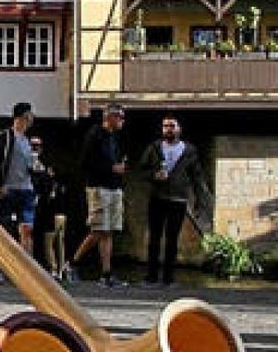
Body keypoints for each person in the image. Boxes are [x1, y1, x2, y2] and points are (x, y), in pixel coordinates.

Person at [136, 115, 210, 288]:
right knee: (154, 238)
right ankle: (151, 277)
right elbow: (142, 170)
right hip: (158, 197)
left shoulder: (189, 151)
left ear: (179, 129)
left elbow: (196, 177)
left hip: (178, 199)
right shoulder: (154, 148)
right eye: (165, 126)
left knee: (172, 239)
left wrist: (200, 200)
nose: (168, 129)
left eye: (171, 125)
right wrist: (154, 175)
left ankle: (169, 278)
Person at [69, 104, 128, 288]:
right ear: (109, 117)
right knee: (98, 229)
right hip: (99, 186)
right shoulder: (95, 135)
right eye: (119, 117)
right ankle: (72, 263)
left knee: (108, 230)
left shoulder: (115, 138)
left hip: (114, 186)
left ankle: (106, 273)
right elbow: (85, 162)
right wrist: (110, 168)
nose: (122, 121)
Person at [0, 103, 37, 261]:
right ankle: (2, 263)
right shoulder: (6, 137)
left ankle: (27, 265)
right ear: (20, 118)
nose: (30, 120)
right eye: (28, 116)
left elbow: (31, 164)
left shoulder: (27, 141)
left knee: (27, 228)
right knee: (4, 228)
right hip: (9, 188)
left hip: (26, 188)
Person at [30, 136, 68, 281]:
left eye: (36, 146)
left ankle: (54, 268)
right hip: (56, 211)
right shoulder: (47, 171)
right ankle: (59, 269)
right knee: (58, 242)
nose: (35, 149)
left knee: (49, 242)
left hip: (48, 211)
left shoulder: (41, 169)